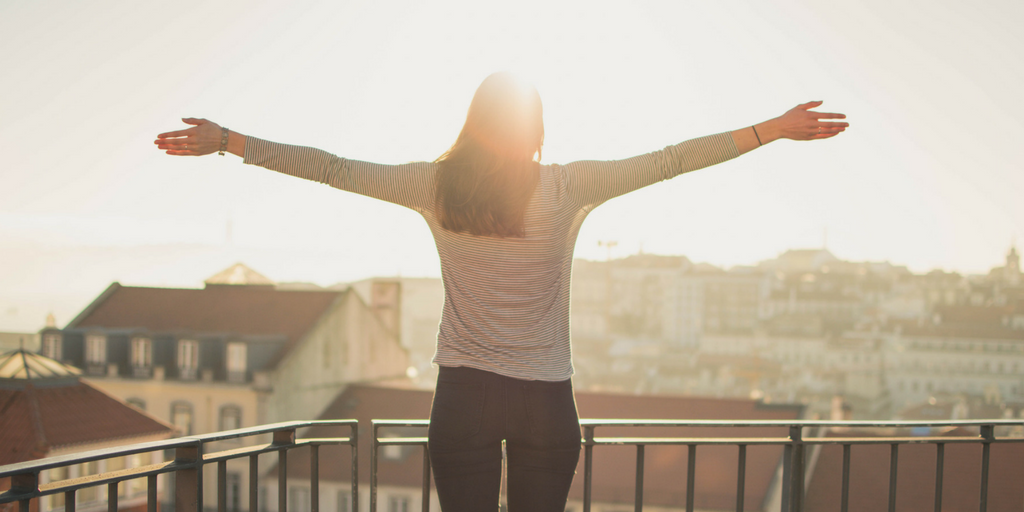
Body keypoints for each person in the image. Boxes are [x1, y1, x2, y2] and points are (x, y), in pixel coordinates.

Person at [155, 72, 847, 512]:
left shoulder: (433, 185)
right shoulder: (567, 185)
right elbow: (667, 162)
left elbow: (334, 169)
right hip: (546, 400)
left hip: (463, 398)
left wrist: (230, 142)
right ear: (536, 129)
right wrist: (772, 131)